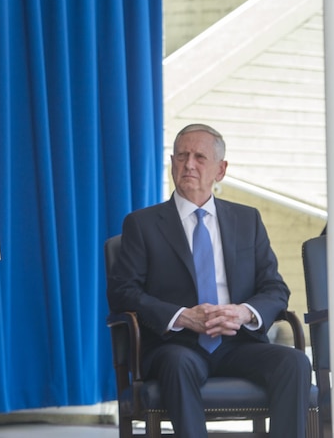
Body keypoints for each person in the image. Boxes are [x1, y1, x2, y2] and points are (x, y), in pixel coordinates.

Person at [107, 123, 311, 438]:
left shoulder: (248, 220)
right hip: (175, 345)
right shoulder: (142, 224)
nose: (189, 164)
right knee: (178, 363)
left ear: (221, 169)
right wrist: (182, 317)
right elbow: (123, 292)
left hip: (238, 343)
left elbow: (274, 288)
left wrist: (244, 312)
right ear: (172, 163)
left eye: (200, 157)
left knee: (295, 362)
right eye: (181, 156)